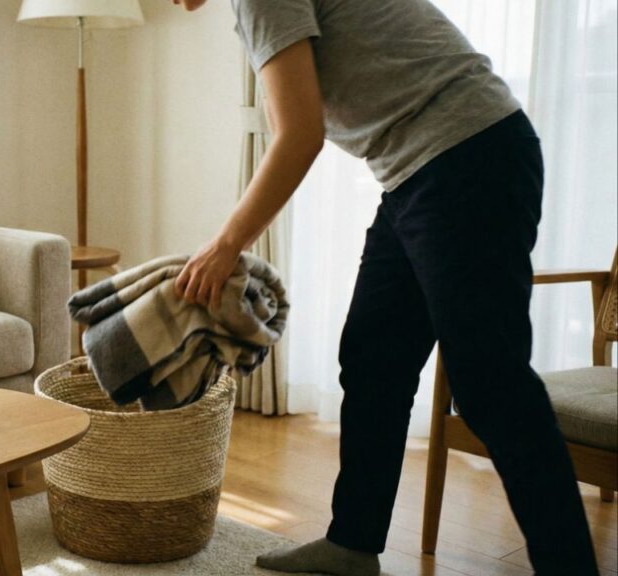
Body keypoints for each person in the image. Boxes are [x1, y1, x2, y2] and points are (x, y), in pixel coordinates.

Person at [169, 0, 600, 575]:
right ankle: (353, 542)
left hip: (466, 155)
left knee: (490, 385)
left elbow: (299, 135)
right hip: (420, 170)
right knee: (374, 358)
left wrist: (225, 246)